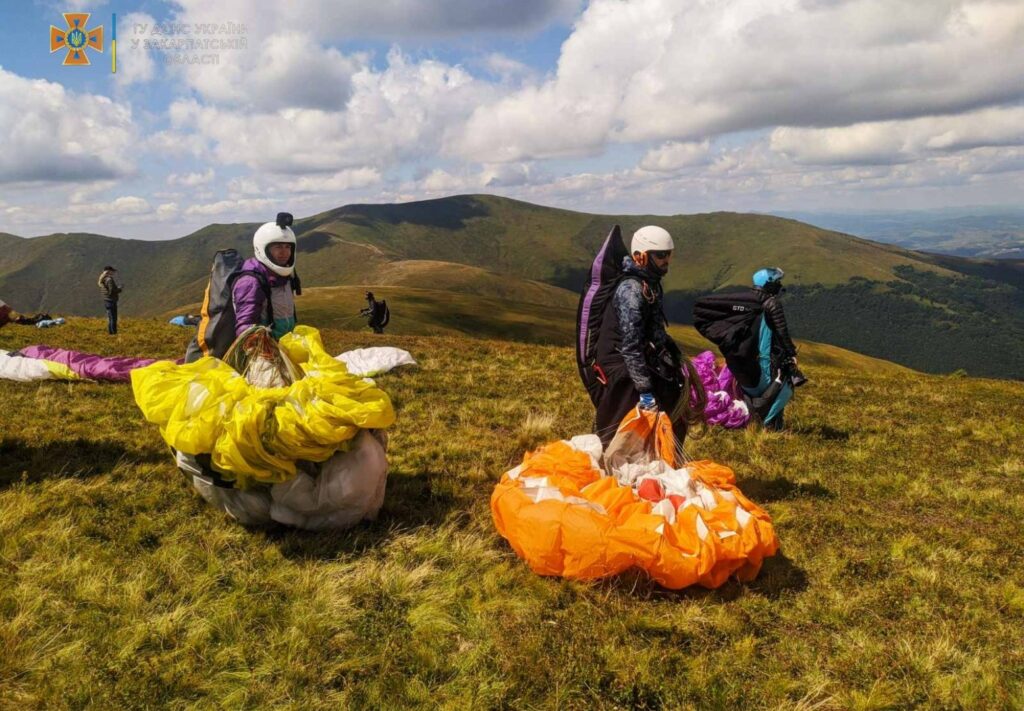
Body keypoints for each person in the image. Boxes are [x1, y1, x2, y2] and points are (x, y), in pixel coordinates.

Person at [592, 225, 703, 448]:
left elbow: (651, 330)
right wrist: (644, 390)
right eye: (661, 255)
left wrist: (670, 353)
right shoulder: (631, 290)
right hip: (621, 364)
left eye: (668, 254)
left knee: (672, 391)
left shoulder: (649, 283)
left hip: (639, 357)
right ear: (640, 257)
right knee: (641, 409)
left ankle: (663, 460)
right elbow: (630, 345)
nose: (666, 260)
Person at [740, 267, 807, 431]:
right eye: (776, 282)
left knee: (757, 391)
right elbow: (781, 331)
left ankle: (752, 422)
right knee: (783, 386)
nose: (779, 285)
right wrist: (791, 353)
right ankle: (769, 424)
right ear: (767, 284)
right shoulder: (772, 304)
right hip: (767, 357)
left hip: (745, 359)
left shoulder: (747, 301)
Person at [232, 213, 299, 339]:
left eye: (288, 246)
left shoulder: (284, 276)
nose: (284, 252)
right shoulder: (251, 281)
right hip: (264, 350)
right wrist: (262, 351)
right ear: (263, 249)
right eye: (278, 246)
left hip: (283, 344)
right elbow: (245, 328)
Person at [97, 266, 121, 335]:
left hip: (106, 300)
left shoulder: (102, 279)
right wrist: (119, 289)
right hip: (111, 301)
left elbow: (107, 291)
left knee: (110, 318)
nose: (113, 272)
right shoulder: (109, 280)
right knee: (114, 318)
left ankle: (110, 333)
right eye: (112, 271)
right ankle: (114, 334)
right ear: (109, 271)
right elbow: (112, 291)